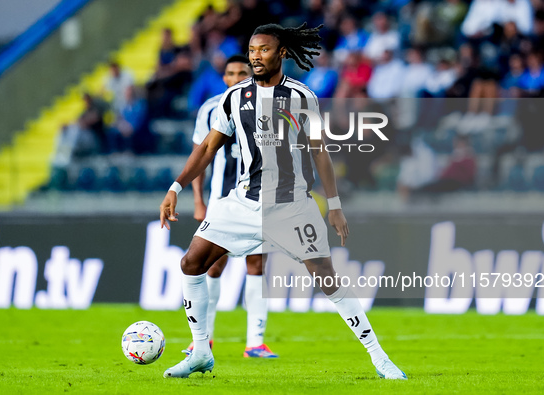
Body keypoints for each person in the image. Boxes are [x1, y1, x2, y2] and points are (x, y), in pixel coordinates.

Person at [159, 23, 407, 380]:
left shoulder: (302, 97)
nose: (256, 57)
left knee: (326, 277)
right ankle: (200, 351)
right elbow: (208, 149)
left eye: (263, 50)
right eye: (252, 50)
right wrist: (176, 187)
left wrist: (334, 204)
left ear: (282, 53)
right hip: (243, 201)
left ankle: (379, 357)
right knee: (191, 263)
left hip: (292, 205)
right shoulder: (233, 99)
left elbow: (319, 150)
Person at [185, 54, 278, 358]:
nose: (236, 77)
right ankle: (204, 339)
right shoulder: (212, 108)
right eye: (230, 73)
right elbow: (202, 153)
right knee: (211, 265)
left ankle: (255, 343)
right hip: (220, 199)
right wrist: (198, 199)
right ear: (223, 77)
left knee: (257, 265)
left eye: (242, 72)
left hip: (255, 199)